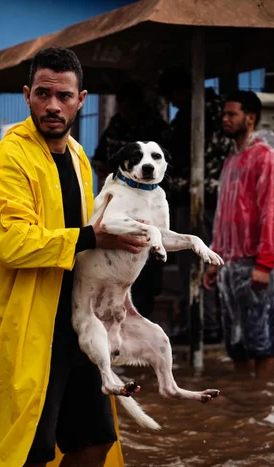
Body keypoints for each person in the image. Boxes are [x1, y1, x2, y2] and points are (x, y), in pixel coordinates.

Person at [0, 47, 147, 467]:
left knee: (97, 440)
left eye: (63, 96)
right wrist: (90, 238)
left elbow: (92, 238)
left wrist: (117, 293)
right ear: (26, 96)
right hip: (23, 325)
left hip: (78, 321)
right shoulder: (8, 159)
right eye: (43, 94)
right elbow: (13, 244)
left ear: (81, 99)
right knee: (28, 449)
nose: (52, 106)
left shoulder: (81, 157)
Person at [203, 90, 274, 380]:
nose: (224, 119)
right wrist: (214, 260)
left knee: (260, 340)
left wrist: (264, 265)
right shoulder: (230, 161)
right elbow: (223, 218)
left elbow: (273, 213)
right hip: (229, 266)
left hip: (254, 264)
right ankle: (244, 401)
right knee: (236, 342)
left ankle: (262, 404)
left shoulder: (266, 158)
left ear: (249, 118)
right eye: (224, 114)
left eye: (231, 114)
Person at [158, 70, 233, 342]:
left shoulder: (208, 114)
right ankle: (199, 325)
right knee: (192, 265)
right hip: (192, 198)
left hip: (204, 200)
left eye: (173, 96)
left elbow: (203, 163)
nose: (173, 101)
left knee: (201, 263)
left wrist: (178, 183)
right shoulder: (189, 114)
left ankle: (206, 328)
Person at [91, 80, 170, 318]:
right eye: (120, 104)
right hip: (121, 198)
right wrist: (112, 181)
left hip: (150, 199)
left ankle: (143, 313)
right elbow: (99, 158)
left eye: (127, 104)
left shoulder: (155, 127)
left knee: (149, 260)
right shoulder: (115, 126)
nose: (123, 109)